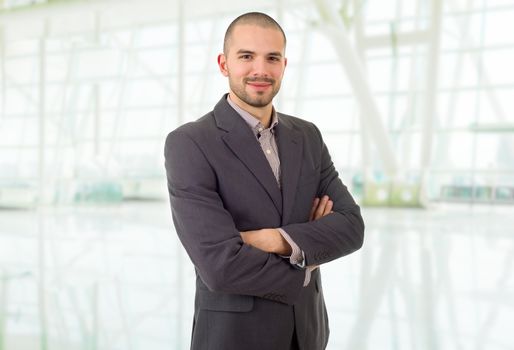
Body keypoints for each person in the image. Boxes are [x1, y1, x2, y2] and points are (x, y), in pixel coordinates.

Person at [164, 11, 364, 350]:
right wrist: (306, 259)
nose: (260, 70)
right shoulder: (191, 143)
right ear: (224, 64)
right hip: (234, 338)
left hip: (308, 334)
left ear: (284, 65)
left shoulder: (308, 136)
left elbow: (351, 227)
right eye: (246, 56)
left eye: (272, 58)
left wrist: (274, 240)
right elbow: (219, 265)